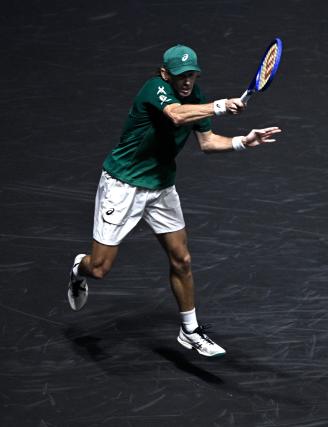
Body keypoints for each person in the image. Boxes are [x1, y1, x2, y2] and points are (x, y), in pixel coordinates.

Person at [67, 44, 281, 358]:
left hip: (162, 187)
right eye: (180, 76)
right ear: (166, 74)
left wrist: (242, 142)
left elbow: (207, 143)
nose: (186, 82)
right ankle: (77, 268)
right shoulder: (154, 89)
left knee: (182, 259)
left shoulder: (196, 97)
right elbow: (177, 116)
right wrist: (220, 106)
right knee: (99, 268)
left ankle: (189, 330)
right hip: (123, 185)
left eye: (192, 75)